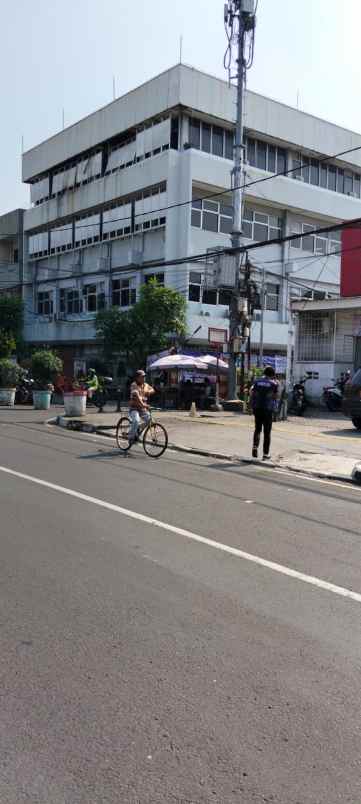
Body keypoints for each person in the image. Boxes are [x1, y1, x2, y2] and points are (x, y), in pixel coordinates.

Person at [250, 365, 279, 460]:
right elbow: (275, 397)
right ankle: (265, 454)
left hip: (257, 408)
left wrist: (252, 404)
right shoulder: (273, 384)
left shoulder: (257, 382)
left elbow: (252, 393)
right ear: (272, 374)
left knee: (257, 429)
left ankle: (255, 447)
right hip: (267, 409)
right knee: (267, 432)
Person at [129, 370, 155, 443]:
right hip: (134, 408)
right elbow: (137, 396)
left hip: (142, 409)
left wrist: (149, 392)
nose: (144, 378)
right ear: (137, 378)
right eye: (142, 377)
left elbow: (153, 389)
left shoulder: (146, 385)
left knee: (150, 421)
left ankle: (137, 428)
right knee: (136, 421)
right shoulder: (134, 385)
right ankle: (131, 437)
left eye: (144, 377)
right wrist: (143, 404)